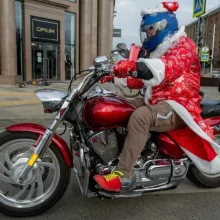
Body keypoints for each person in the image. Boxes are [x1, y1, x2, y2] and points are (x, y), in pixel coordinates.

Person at [94, 2, 220, 192]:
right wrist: (113, 76)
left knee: (140, 117)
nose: (148, 35)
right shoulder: (159, 50)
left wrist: (129, 66)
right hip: (157, 100)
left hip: (179, 106)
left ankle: (122, 175)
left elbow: (165, 68)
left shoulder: (184, 47)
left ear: (163, 27)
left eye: (150, 31)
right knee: (119, 105)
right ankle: (114, 154)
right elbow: (143, 79)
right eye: (146, 32)